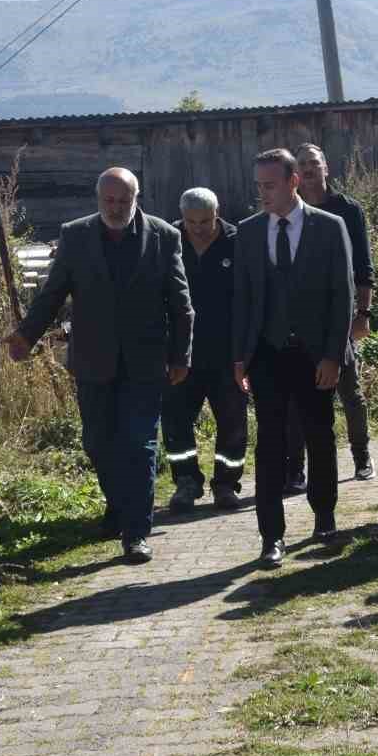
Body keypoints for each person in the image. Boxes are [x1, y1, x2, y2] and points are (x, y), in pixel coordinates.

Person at [5, 168, 192, 564]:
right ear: (98, 199)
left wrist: (180, 356)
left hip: (145, 362)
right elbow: (52, 295)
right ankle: (119, 507)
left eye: (124, 200)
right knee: (98, 443)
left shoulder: (163, 237)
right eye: (109, 200)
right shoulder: (76, 235)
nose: (116, 207)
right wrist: (26, 336)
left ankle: (136, 532)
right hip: (93, 361)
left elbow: (181, 305)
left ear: (136, 197)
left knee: (140, 444)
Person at [232, 148, 355, 568]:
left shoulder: (329, 227)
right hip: (266, 353)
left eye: (270, 185)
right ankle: (272, 536)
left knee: (320, 434)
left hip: (315, 353)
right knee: (269, 442)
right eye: (259, 186)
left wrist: (334, 356)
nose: (263, 194)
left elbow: (343, 295)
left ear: (293, 182)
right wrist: (239, 357)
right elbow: (242, 299)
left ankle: (324, 515)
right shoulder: (247, 232)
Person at [284, 142, 376, 486]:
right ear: (294, 174)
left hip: (339, 315)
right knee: (296, 397)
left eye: (313, 163)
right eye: (302, 164)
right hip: (297, 321)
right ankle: (296, 467)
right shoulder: (289, 210)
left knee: (350, 391)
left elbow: (364, 267)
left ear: (326, 168)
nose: (308, 169)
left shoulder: (348, 210)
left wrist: (363, 314)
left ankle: (362, 456)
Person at [162, 187, 248, 513]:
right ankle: (186, 482)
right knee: (175, 419)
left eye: (206, 221)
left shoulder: (238, 242)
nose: (198, 228)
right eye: (191, 221)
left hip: (228, 352)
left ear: (218, 213)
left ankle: (226, 484)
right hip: (181, 353)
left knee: (233, 422)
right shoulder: (167, 240)